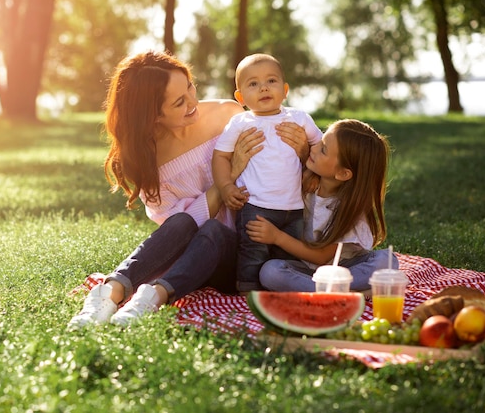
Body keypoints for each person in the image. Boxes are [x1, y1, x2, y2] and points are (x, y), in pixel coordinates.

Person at [68, 51, 309, 328]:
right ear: (153, 115)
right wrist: (227, 178)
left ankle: (152, 296)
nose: (193, 102)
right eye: (179, 102)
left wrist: (302, 151)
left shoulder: (228, 114)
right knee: (182, 221)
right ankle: (110, 292)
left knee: (215, 231)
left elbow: (281, 173)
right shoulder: (149, 162)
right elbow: (180, 233)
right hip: (198, 258)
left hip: (248, 254)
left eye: (190, 87)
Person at [212, 53, 322, 293]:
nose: (263, 88)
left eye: (271, 81)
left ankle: (280, 290)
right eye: (253, 84)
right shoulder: (240, 123)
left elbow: (319, 146)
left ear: (285, 89)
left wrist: (314, 173)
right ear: (240, 97)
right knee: (253, 252)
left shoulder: (300, 118)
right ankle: (247, 295)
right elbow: (220, 156)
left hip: (295, 207)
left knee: (288, 253)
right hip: (255, 204)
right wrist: (225, 186)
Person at [247, 119, 399, 292]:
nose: (314, 148)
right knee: (270, 271)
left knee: (386, 260)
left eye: (323, 149)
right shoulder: (305, 182)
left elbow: (320, 257)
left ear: (342, 173)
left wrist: (277, 237)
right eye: (321, 141)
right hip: (306, 271)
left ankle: (327, 289)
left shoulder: (350, 210)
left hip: (345, 268)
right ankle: (344, 289)